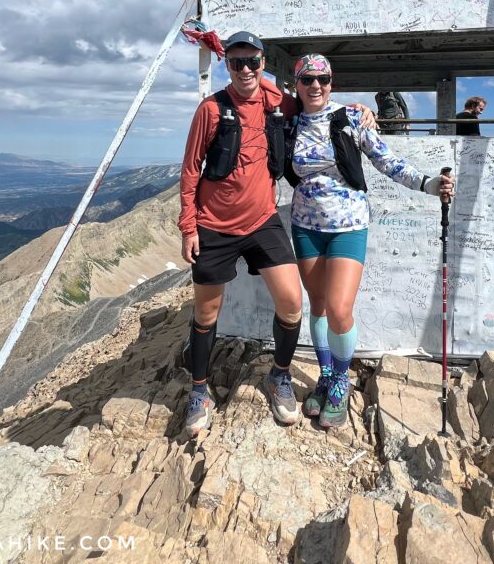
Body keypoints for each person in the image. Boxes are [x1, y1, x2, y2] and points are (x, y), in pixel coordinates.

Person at [178, 31, 377, 439]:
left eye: (253, 61)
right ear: (227, 66)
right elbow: (189, 169)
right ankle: (199, 391)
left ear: (264, 63)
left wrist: (361, 109)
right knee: (206, 314)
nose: (245, 69)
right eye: (236, 63)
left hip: (263, 221)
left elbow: (313, 103)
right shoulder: (210, 110)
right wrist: (188, 227)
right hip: (213, 225)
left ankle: (279, 377)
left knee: (291, 305)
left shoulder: (276, 102)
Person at [287, 54, 455, 429]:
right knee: (318, 307)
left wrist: (428, 184)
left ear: (332, 82)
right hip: (304, 225)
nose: (316, 86)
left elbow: (387, 160)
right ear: (295, 84)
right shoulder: (289, 122)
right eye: (308, 79)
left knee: (339, 308)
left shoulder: (351, 117)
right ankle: (327, 376)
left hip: (349, 225)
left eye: (324, 79)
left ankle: (341, 381)